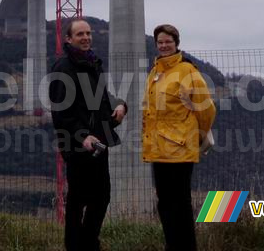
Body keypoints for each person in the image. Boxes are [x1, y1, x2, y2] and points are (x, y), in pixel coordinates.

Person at [49, 18, 127, 251]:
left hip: (98, 143)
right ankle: (78, 245)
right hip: (78, 145)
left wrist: (121, 105)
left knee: (101, 198)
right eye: (80, 34)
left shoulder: (92, 63)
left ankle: (87, 243)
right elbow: (60, 112)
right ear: (68, 39)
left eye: (88, 33)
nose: (86, 37)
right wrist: (82, 136)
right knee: (78, 201)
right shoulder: (64, 67)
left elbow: (104, 97)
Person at [142, 24, 216, 251]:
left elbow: (206, 110)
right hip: (158, 149)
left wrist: (197, 135)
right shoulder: (155, 72)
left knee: (180, 205)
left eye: (168, 42)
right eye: (160, 42)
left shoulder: (188, 71)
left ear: (176, 43)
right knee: (164, 205)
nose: (164, 46)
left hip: (180, 149)